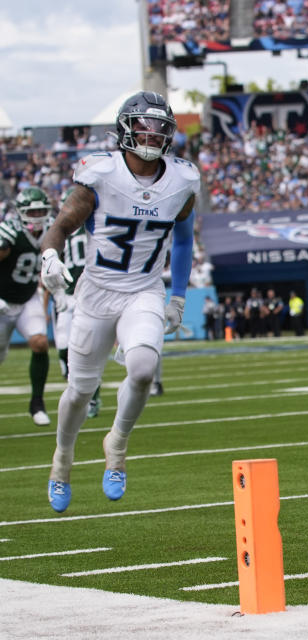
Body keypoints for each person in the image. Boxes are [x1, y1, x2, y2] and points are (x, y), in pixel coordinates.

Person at [40, 91, 199, 513]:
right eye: (143, 126)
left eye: (159, 128)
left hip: (144, 290)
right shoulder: (100, 174)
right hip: (95, 293)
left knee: (144, 369)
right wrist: (50, 255)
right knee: (79, 391)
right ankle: (62, 460)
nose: (151, 135)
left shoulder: (182, 179)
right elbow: (60, 227)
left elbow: (183, 238)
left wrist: (179, 295)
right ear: (126, 129)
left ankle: (118, 444)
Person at [0, 187, 54, 426]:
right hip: (2, 300)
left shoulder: (52, 229)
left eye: (41, 210)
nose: (38, 215)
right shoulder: (9, 231)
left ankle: (37, 403)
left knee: (40, 343)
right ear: (21, 213)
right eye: (32, 212)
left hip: (28, 296)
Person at [47, 186, 101, 419]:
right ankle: (74, 382)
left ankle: (93, 399)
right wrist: (56, 294)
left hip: (89, 295)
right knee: (62, 346)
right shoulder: (59, 231)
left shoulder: (96, 227)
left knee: (87, 350)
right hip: (68, 296)